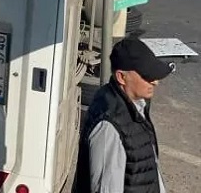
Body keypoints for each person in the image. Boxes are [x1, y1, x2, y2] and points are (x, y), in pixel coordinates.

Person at [74, 37, 174, 193]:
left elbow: (147, 167)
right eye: (147, 76)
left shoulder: (135, 106)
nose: (155, 82)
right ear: (122, 77)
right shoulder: (109, 126)